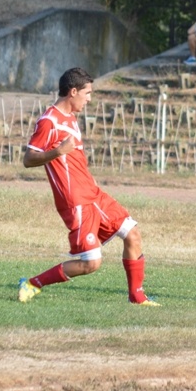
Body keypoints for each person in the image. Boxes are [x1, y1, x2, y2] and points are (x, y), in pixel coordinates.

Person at [18, 67, 160, 306]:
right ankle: (33, 284)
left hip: (93, 194)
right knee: (91, 263)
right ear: (73, 91)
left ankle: (137, 297)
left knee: (132, 234)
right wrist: (57, 152)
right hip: (76, 201)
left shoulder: (71, 118)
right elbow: (28, 159)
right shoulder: (49, 121)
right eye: (87, 93)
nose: (90, 99)